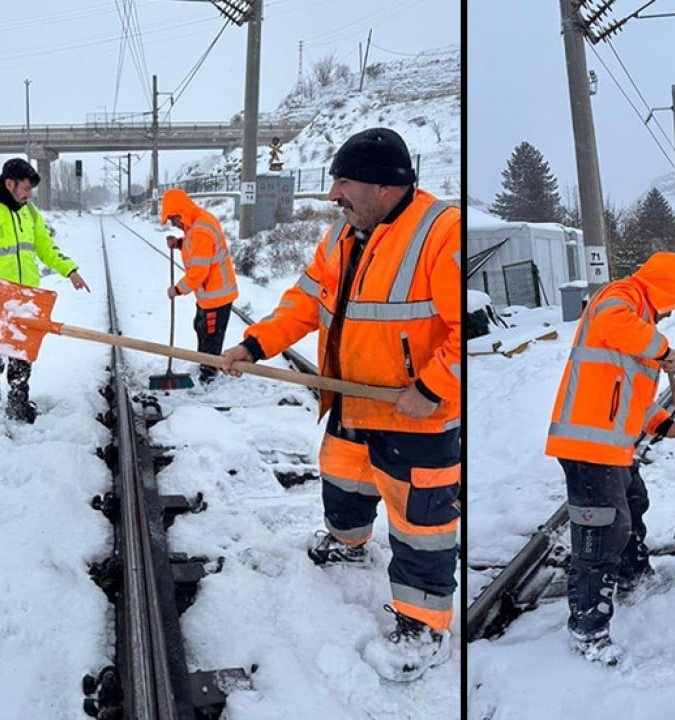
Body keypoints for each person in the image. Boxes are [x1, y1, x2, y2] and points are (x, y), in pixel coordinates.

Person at [219, 128, 461, 681]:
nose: (334, 194)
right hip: (353, 403)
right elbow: (302, 304)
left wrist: (430, 390)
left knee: (420, 523)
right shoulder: (342, 236)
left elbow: (460, 335)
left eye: (344, 182)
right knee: (344, 479)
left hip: (414, 413)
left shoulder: (441, 233)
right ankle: (349, 544)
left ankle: (424, 626)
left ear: (384, 185)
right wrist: (254, 344)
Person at [544, 251, 675, 667]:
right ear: (663, 289)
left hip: (612, 447)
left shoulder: (638, 327)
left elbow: (633, 401)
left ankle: (631, 574)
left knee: (634, 503)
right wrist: (661, 347)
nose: (668, 316)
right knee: (603, 533)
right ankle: (587, 626)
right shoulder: (621, 297)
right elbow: (610, 319)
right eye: (672, 304)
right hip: (586, 446)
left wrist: (665, 426)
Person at [0, 158, 88, 424]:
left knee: (21, 360)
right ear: (9, 183)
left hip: (25, 298)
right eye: (25, 188)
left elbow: (46, 247)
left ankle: (18, 407)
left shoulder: (29, 212)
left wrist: (69, 270)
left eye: (31, 190)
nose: (29, 195)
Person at [160, 188, 239, 385]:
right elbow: (194, 246)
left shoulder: (200, 229)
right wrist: (178, 243)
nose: (173, 224)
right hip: (208, 294)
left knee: (210, 336)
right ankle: (204, 364)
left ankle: (209, 376)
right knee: (201, 328)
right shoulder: (195, 223)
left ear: (180, 214)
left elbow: (198, 272)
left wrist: (177, 289)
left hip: (216, 296)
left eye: (172, 219)